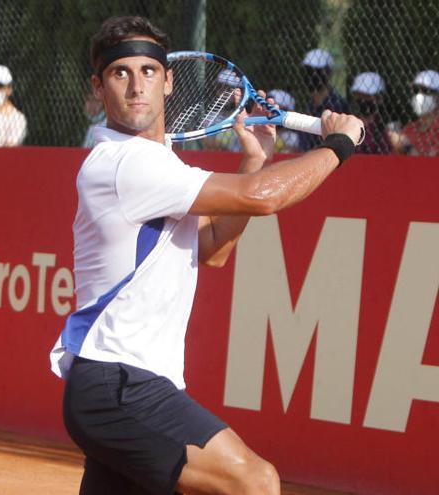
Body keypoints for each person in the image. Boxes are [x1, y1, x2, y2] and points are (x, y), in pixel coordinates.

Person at [49, 16, 363, 495]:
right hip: (121, 385)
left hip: (121, 388)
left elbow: (212, 250)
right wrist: (340, 145)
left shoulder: (157, 164)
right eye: (120, 74)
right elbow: (263, 198)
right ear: (99, 87)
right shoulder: (125, 164)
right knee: (254, 482)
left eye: (148, 72)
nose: (137, 87)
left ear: (168, 80)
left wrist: (255, 161)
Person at [300, 48, 349, 150]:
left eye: (317, 72)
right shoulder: (309, 105)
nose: (312, 75)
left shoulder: (337, 105)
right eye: (309, 71)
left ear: (328, 73)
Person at [349, 72, 392, 154]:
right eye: (359, 95)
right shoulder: (348, 123)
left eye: (367, 96)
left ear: (379, 98)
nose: (362, 99)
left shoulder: (384, 129)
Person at [400, 70, 439, 156]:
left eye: (426, 91)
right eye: (416, 90)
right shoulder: (408, 129)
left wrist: (407, 147)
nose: (419, 95)